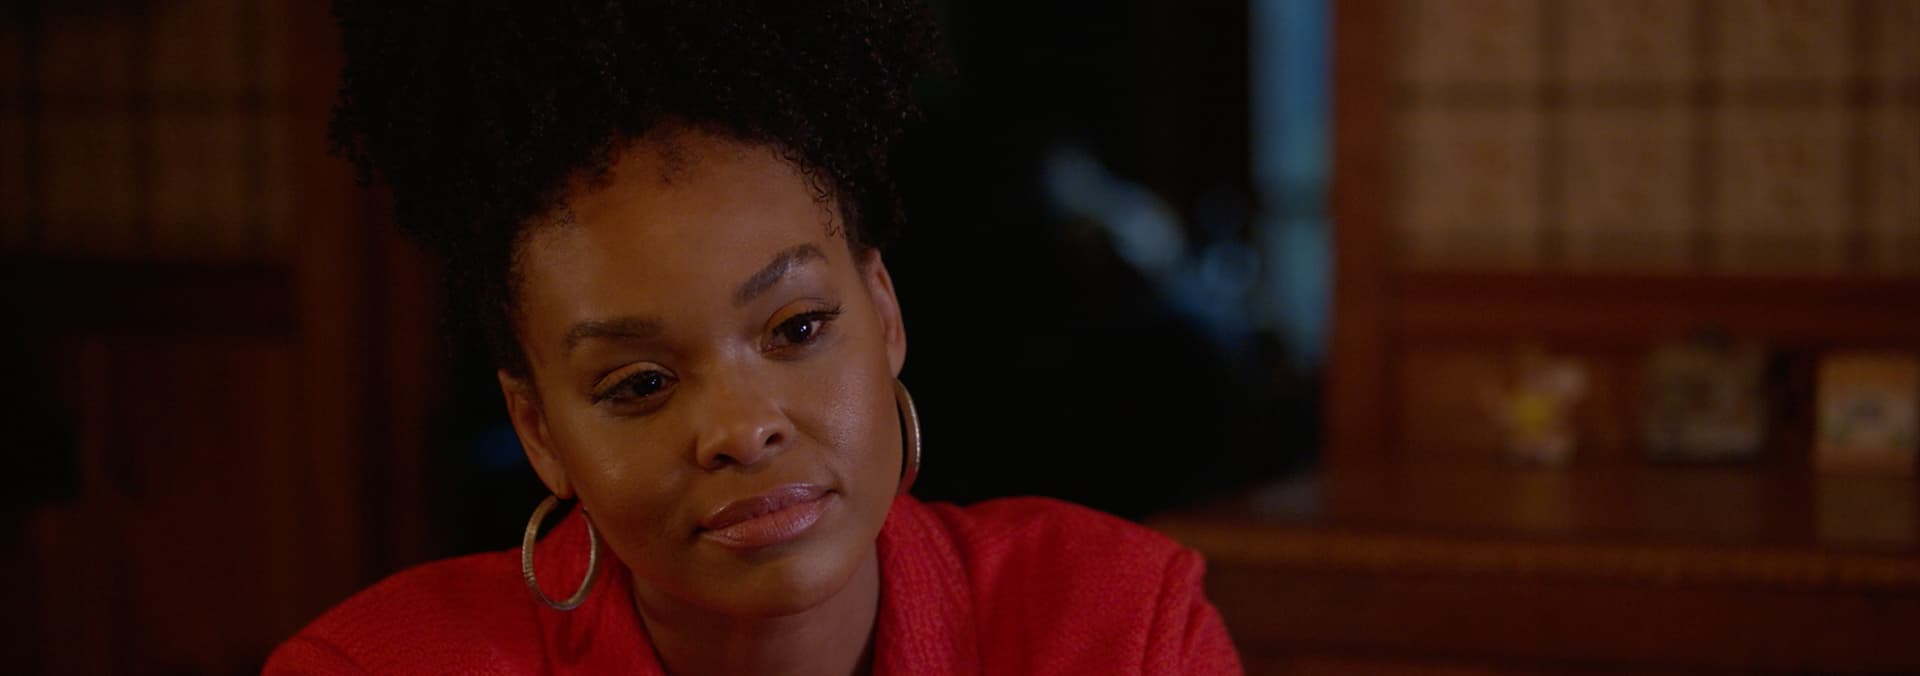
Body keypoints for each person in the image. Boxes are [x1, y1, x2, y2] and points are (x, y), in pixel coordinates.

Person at [267, 1, 1243, 673]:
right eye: (639, 383)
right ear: (539, 430)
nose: (741, 429)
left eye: (797, 327)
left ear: (884, 314)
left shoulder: (1120, 629)